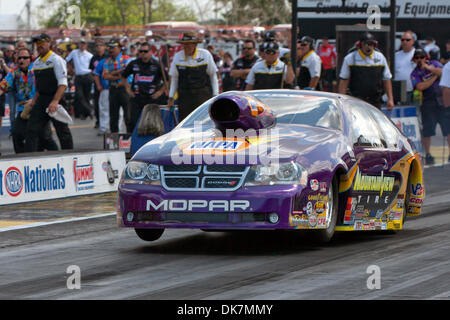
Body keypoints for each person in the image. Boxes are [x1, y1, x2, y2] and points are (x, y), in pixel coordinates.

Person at [0, 48, 57, 153]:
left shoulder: (37, 69)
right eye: (19, 58)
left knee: (45, 138)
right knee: (16, 133)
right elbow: (2, 87)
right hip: (23, 110)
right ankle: (22, 159)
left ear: (30, 59)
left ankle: (60, 157)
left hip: (39, 108)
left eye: (25, 57)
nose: (22, 60)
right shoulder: (14, 73)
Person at [25, 33, 73, 152]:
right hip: (41, 99)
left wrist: (55, 101)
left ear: (49, 43)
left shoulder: (57, 60)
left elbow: (63, 84)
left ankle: (70, 156)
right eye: (37, 43)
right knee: (32, 129)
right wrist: (34, 101)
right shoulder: (36, 62)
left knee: (62, 131)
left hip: (55, 98)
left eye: (41, 42)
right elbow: (39, 86)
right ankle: (28, 159)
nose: (39, 45)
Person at [168, 32, 219, 122]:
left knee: (201, 123)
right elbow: (175, 79)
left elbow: (213, 76)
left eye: (189, 44)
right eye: (184, 44)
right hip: (184, 96)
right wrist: (171, 97)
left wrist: (215, 95)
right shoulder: (177, 56)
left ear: (195, 44)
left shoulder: (205, 55)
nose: (186, 46)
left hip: (202, 95)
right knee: (184, 123)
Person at [411, 48, 448, 165]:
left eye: (421, 57)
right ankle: (428, 153)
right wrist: (434, 78)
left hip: (441, 100)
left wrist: (429, 68)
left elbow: (444, 73)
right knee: (427, 130)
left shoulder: (434, 64)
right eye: (417, 58)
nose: (419, 60)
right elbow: (420, 86)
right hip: (427, 102)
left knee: (447, 128)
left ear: (425, 57)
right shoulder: (415, 73)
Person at [339, 32, 394, 110]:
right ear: (360, 45)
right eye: (366, 44)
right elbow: (344, 81)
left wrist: (390, 99)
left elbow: (386, 79)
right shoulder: (350, 58)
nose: (369, 47)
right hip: (356, 100)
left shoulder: (380, 58)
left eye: (371, 44)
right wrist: (341, 101)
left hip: (375, 101)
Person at [121, 42, 167, 133]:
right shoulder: (134, 63)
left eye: (145, 51)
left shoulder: (157, 64)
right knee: (133, 121)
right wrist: (128, 90)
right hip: (137, 98)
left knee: (153, 123)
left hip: (151, 99)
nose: (143, 53)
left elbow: (168, 80)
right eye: (141, 51)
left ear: (150, 52)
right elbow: (123, 76)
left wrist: (160, 92)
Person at [102, 38, 131, 133]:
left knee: (128, 115)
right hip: (113, 89)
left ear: (119, 48)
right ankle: (114, 138)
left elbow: (125, 74)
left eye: (113, 47)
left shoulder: (126, 59)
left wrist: (112, 74)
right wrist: (119, 74)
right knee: (113, 116)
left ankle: (129, 136)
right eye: (109, 48)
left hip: (125, 89)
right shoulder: (107, 61)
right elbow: (105, 76)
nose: (111, 50)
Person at [66, 38, 94, 119]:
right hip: (78, 76)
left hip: (87, 76)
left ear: (86, 45)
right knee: (79, 95)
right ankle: (89, 110)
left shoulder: (90, 55)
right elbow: (67, 60)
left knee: (87, 96)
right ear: (79, 44)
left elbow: (93, 67)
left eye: (84, 44)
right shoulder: (74, 52)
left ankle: (84, 114)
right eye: (81, 43)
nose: (82, 45)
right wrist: (70, 69)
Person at [89, 39, 108, 129]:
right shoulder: (94, 58)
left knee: (108, 105)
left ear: (104, 47)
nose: (99, 47)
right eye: (97, 46)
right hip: (97, 84)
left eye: (101, 45)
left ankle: (108, 123)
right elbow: (92, 71)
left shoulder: (108, 57)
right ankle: (99, 121)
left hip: (107, 84)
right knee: (97, 104)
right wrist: (97, 84)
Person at [394, 31, 417, 103]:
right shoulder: (395, 55)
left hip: (415, 92)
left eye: (407, 40)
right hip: (398, 92)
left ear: (413, 41)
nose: (405, 42)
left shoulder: (419, 54)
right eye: (402, 40)